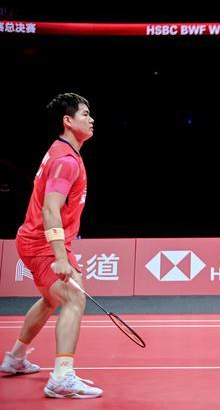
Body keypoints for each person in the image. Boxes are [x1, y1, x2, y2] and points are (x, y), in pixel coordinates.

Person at [0, 93, 102, 398]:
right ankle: (61, 377)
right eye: (85, 114)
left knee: (50, 299)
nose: (91, 119)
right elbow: (50, 208)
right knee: (74, 298)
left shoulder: (62, 151)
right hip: (42, 244)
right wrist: (60, 257)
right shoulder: (66, 160)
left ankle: (15, 359)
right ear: (67, 121)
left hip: (37, 240)